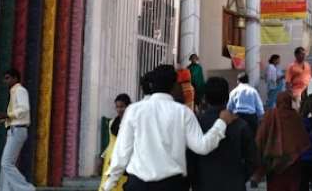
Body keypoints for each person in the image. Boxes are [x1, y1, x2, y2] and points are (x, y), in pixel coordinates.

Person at [102, 64, 237, 191]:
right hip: (172, 185)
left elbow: (122, 152)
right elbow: (202, 147)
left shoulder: (134, 110)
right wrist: (221, 123)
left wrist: (110, 182)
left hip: (138, 184)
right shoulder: (183, 112)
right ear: (174, 86)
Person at [189, 77, 257, 191]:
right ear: (227, 97)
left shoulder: (196, 124)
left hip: (204, 184)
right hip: (234, 184)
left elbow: (190, 159)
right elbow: (252, 159)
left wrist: (195, 182)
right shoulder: (240, 124)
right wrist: (240, 177)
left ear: (205, 98)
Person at [253, 91, 310, 191]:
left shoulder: (270, 115)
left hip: (274, 162)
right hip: (293, 162)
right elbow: (303, 140)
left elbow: (260, 138)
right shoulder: (295, 116)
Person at [0, 68, 36, 191]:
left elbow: (24, 109)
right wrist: (4, 118)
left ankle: (26, 188)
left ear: (15, 78)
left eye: (7, 78)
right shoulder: (13, 92)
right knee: (7, 164)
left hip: (18, 130)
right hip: (13, 129)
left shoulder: (20, 90)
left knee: (6, 163)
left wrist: (8, 115)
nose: (5, 81)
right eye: (4, 79)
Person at [98, 94, 131, 191]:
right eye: (117, 107)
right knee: (107, 185)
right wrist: (102, 157)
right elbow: (111, 142)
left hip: (124, 159)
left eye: (122, 106)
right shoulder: (112, 122)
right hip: (110, 159)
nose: (119, 109)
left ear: (128, 106)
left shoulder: (131, 123)